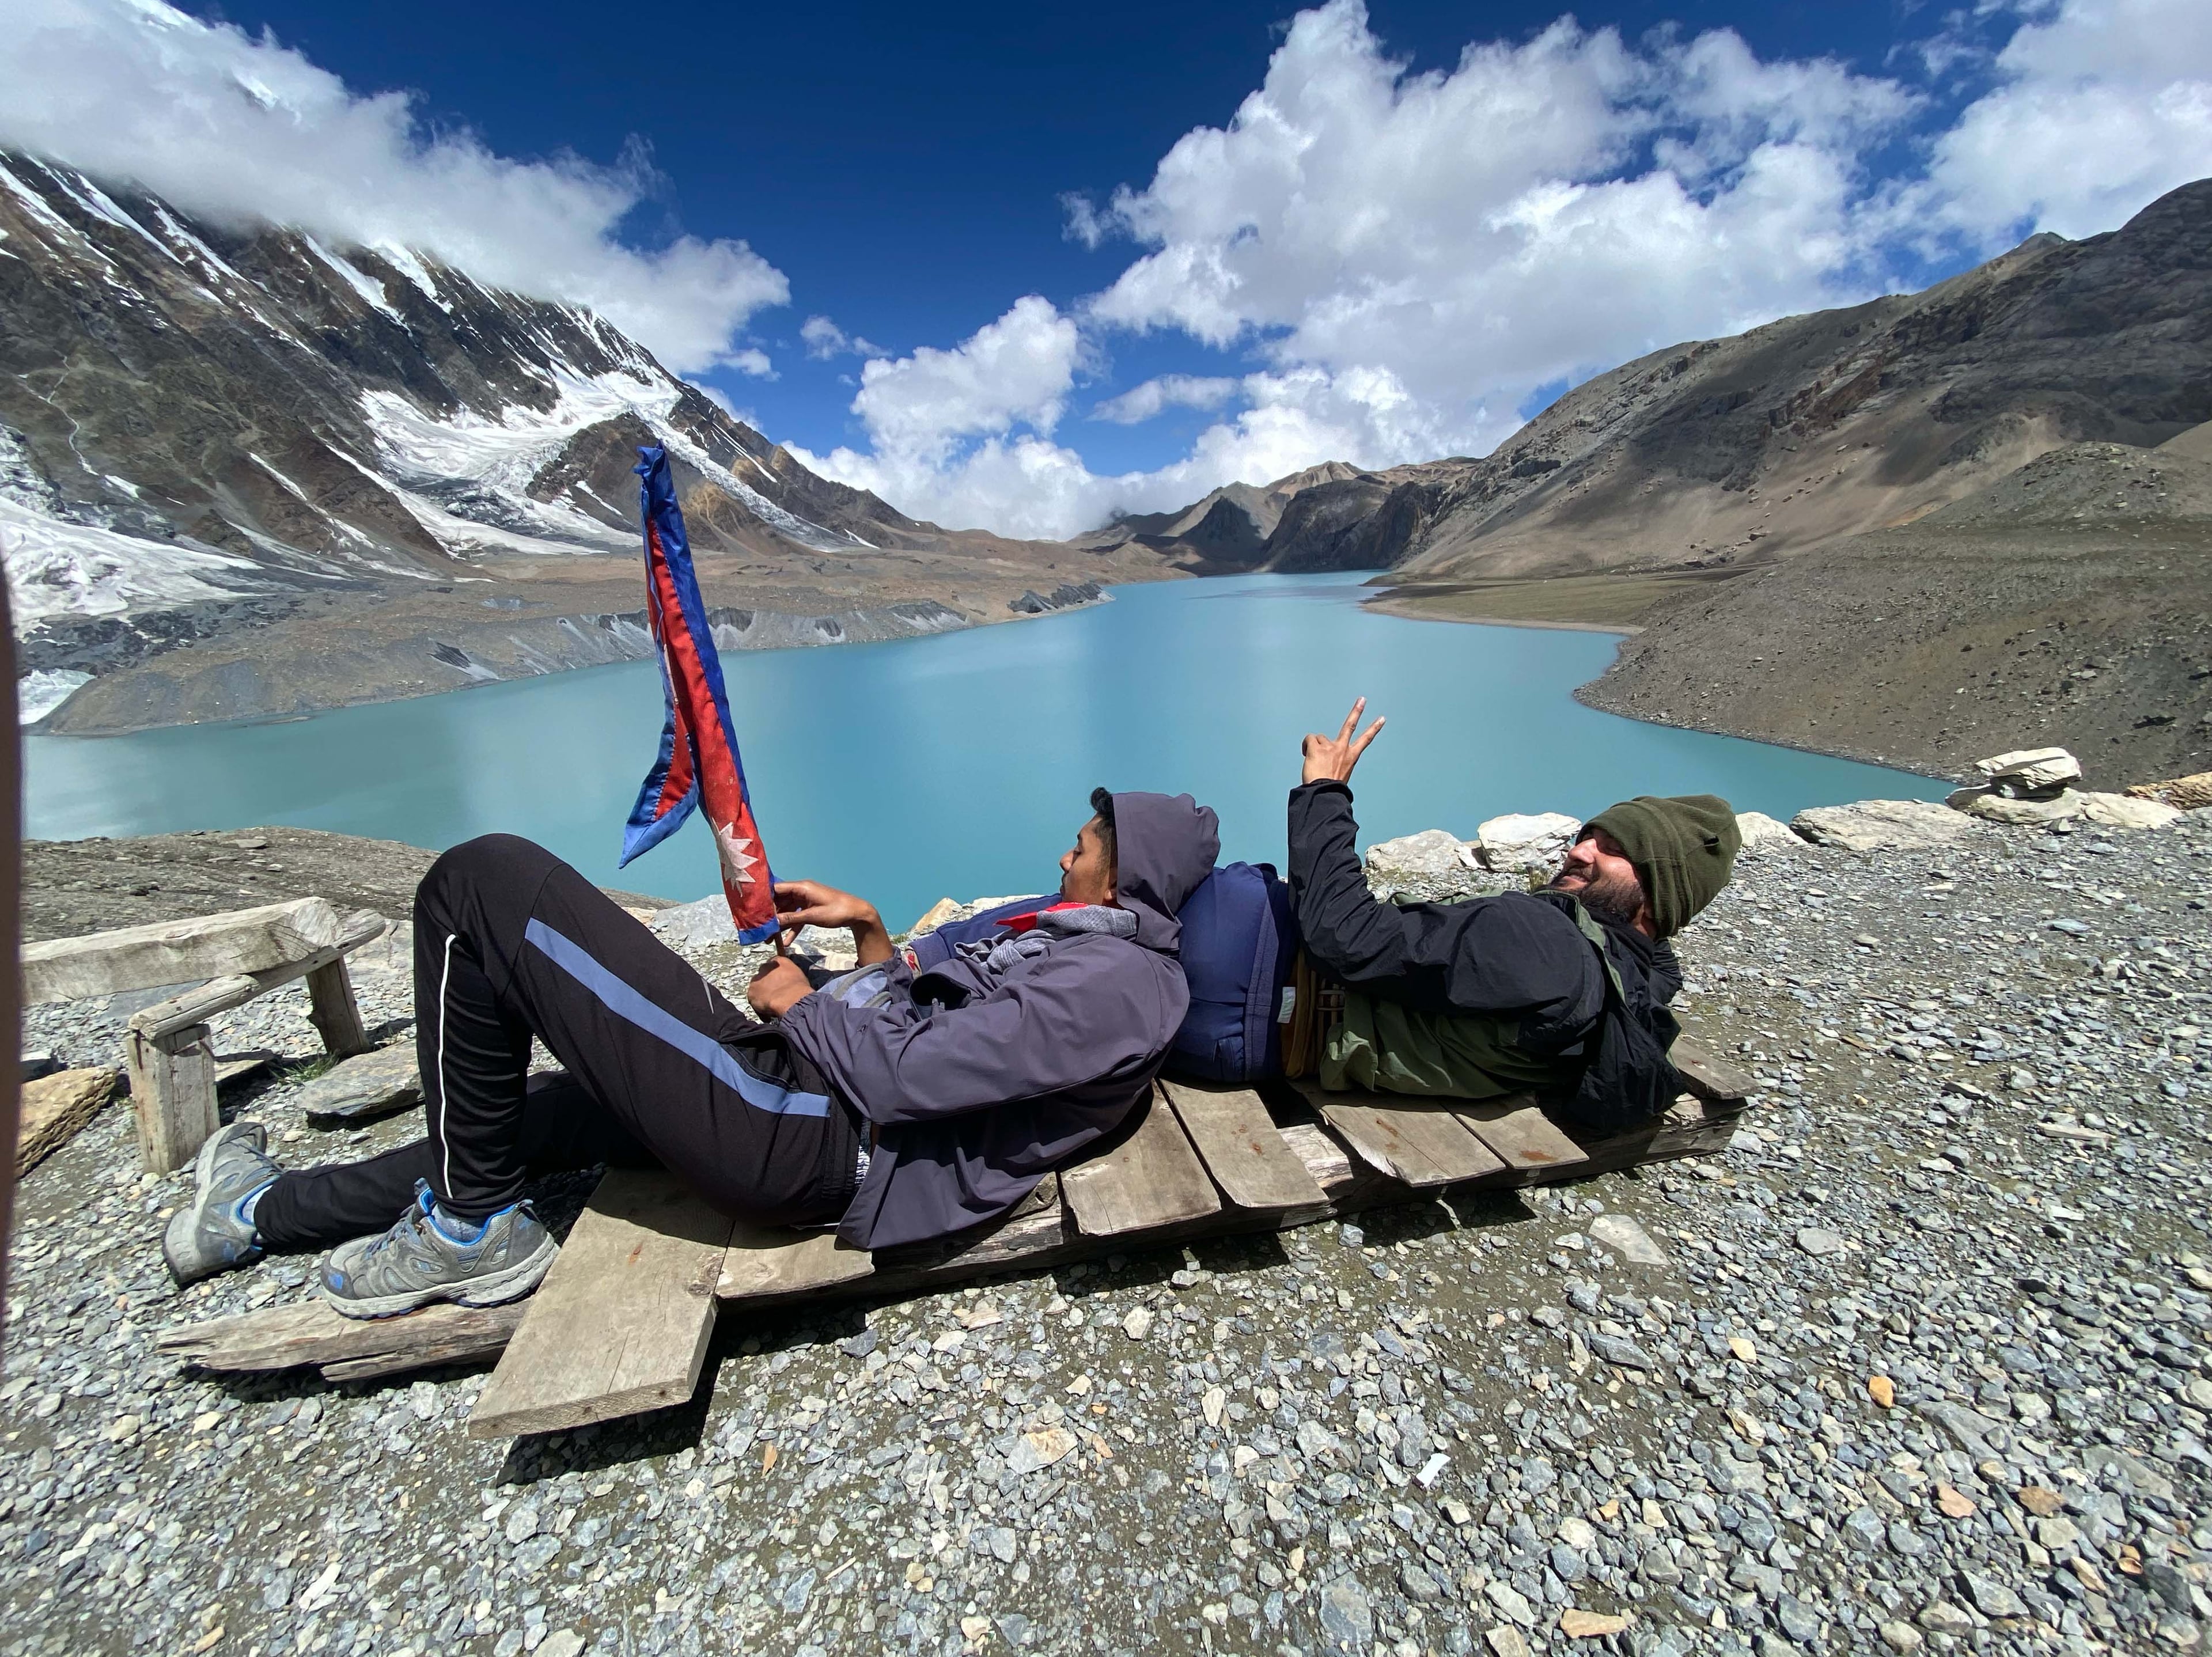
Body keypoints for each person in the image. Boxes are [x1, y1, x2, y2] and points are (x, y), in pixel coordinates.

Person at [162, 788, 1219, 1317]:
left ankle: (475, 1230)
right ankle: (258, 1216)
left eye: (1085, 844)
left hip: (810, 1138)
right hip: (799, 1089)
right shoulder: (1075, 937)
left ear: (1130, 875)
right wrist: (871, 939)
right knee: (533, 1116)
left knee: (483, 883)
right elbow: (953, 1033)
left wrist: (815, 999)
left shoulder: (1126, 987)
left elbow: (909, 1079)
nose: (1063, 851)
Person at [1289, 698, 1738, 1120]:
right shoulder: (1633, 981)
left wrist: (1325, 791)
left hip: (1264, 996)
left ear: (1659, 892)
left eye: (1614, 850)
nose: (1579, 852)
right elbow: (1658, 954)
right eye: (1587, 838)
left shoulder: (1543, 942)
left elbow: (1343, 935)